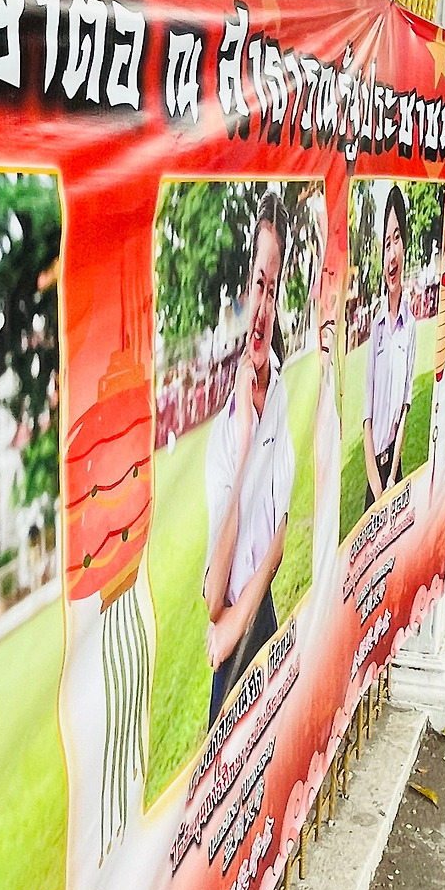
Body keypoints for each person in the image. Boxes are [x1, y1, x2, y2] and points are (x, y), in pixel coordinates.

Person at [203, 194, 295, 728]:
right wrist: (242, 451)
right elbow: (212, 595)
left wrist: (237, 623)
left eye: (273, 289)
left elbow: (279, 541)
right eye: (258, 284)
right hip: (233, 662)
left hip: (262, 627)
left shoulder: (278, 392)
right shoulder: (221, 433)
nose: (263, 308)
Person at [362, 184, 417, 509]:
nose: (392, 253)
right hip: (375, 482)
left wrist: (393, 476)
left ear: (405, 246)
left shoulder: (410, 327)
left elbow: (405, 408)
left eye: (397, 239)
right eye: (386, 243)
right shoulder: (375, 326)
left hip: (395, 472)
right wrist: (378, 489)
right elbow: (366, 419)